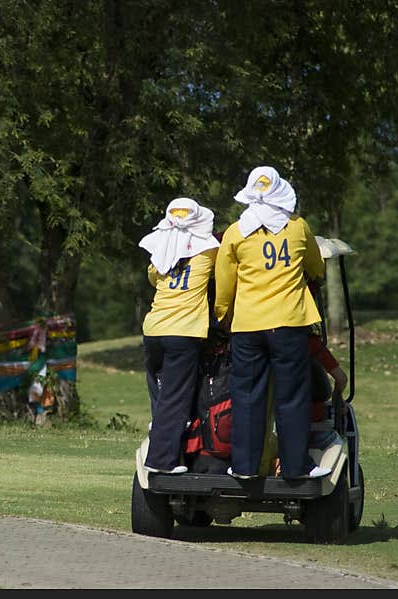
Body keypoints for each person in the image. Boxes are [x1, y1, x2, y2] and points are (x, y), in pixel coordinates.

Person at [214, 166, 328, 480]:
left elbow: (224, 285)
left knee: (248, 396)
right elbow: (316, 267)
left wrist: (223, 315)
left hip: (248, 326)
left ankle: (245, 466)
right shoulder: (298, 227)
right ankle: (295, 467)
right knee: (291, 396)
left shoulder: (236, 232)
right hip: (289, 324)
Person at [139, 197, 220, 474]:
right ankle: (162, 462)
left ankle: (165, 439)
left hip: (153, 330)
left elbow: (153, 276)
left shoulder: (162, 247)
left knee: (161, 397)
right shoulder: (209, 251)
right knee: (175, 400)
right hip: (183, 332)